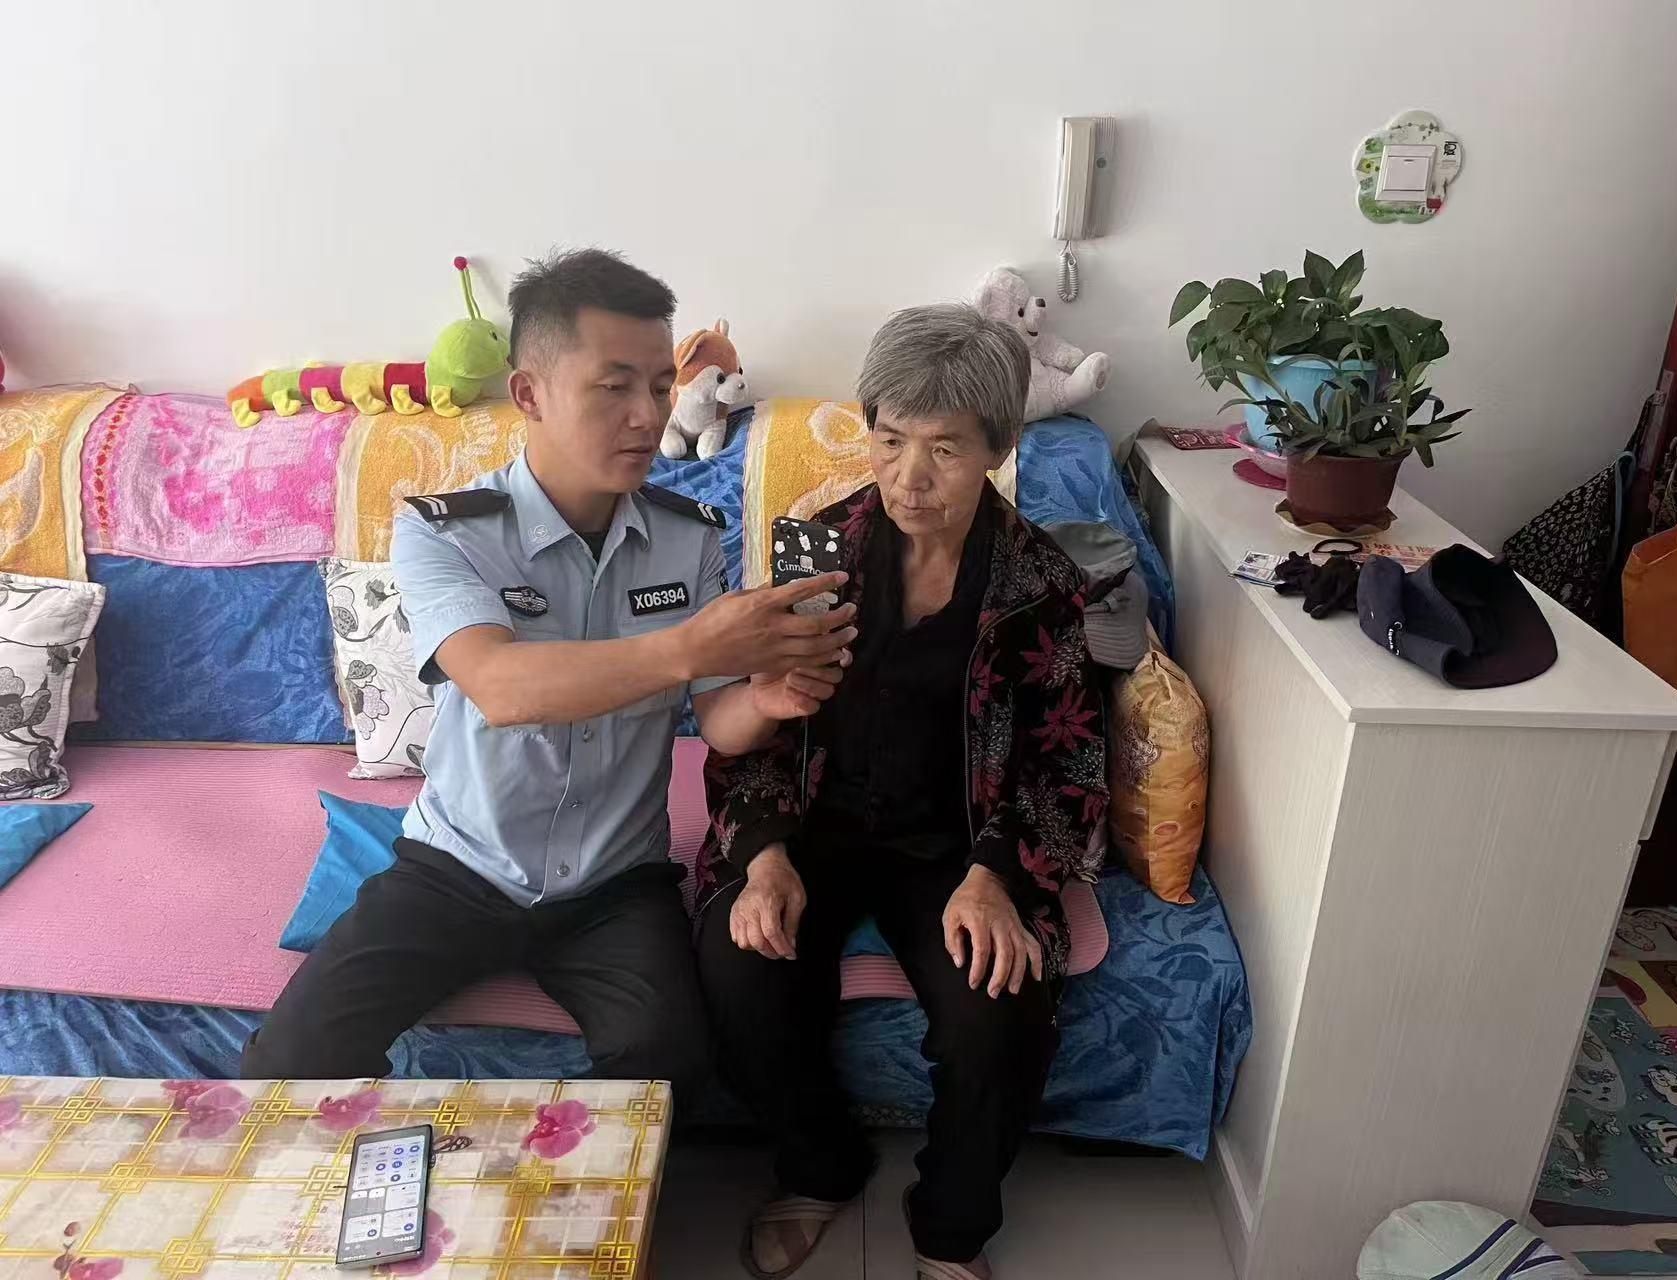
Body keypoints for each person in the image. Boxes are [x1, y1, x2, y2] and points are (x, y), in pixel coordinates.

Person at [242, 249, 856, 1091]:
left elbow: (720, 720)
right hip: (458, 868)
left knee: (669, 1062)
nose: (646, 416)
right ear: (528, 393)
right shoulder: (446, 530)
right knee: (288, 1064)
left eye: (660, 387)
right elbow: (500, 687)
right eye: (613, 387)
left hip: (616, 883)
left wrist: (768, 698)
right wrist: (690, 648)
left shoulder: (688, 535)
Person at [694, 304, 1108, 1280]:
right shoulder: (818, 554)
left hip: (959, 845)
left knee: (999, 1000)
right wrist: (764, 856)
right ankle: (819, 1167)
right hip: (818, 825)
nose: (910, 477)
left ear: (999, 448)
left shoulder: (1039, 584)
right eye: (890, 440)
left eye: (945, 449)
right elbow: (763, 723)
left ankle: (950, 1228)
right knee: (740, 962)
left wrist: (997, 877)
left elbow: (1068, 762)